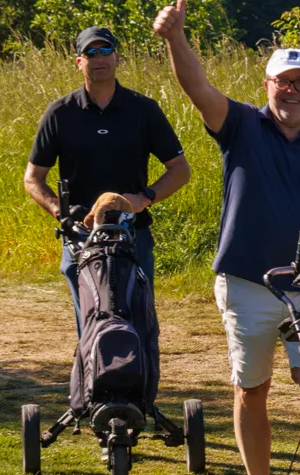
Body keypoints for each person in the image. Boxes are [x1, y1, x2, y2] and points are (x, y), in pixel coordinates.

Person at [151, 0, 300, 475]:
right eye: (282, 82)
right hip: (246, 282)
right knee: (252, 389)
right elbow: (197, 89)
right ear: (266, 85)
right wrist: (176, 37)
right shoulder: (241, 125)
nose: (291, 91)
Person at [23, 25, 189, 326]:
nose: (98, 58)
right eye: (90, 52)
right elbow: (33, 178)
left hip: (131, 232)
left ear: (117, 58)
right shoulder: (60, 112)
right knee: (90, 322)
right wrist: (60, 210)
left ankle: (143, 373)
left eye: (105, 50)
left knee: (139, 319)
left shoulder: (143, 109)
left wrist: (146, 197)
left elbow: (180, 170)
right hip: (80, 235)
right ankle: (93, 372)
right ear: (79, 62)